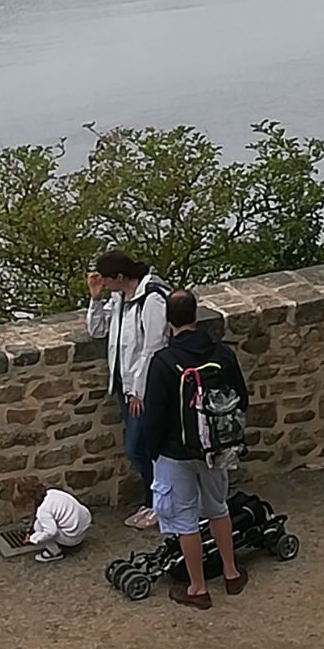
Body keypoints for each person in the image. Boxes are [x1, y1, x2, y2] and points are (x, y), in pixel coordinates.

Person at [143, 288, 251, 611]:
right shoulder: (222, 353)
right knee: (218, 507)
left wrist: (153, 451)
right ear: (196, 314)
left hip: (176, 453)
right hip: (216, 449)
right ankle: (231, 573)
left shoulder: (163, 362)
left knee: (185, 519)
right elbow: (241, 398)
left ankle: (198, 588)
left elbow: (154, 415)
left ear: (169, 321)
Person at [85, 248, 169, 527]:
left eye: (106, 280)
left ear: (119, 276)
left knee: (138, 447)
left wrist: (138, 390)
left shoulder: (152, 299)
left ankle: (159, 501)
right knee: (142, 446)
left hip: (143, 389)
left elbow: (153, 347)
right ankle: (153, 499)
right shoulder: (120, 298)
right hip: (123, 385)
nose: (106, 285)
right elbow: (98, 331)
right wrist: (96, 299)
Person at [15, 475, 92, 563]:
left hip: (74, 538)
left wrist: (33, 538)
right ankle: (69, 538)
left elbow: (51, 532)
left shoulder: (43, 510)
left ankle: (55, 553)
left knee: (38, 527)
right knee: (45, 522)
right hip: (83, 527)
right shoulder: (52, 492)